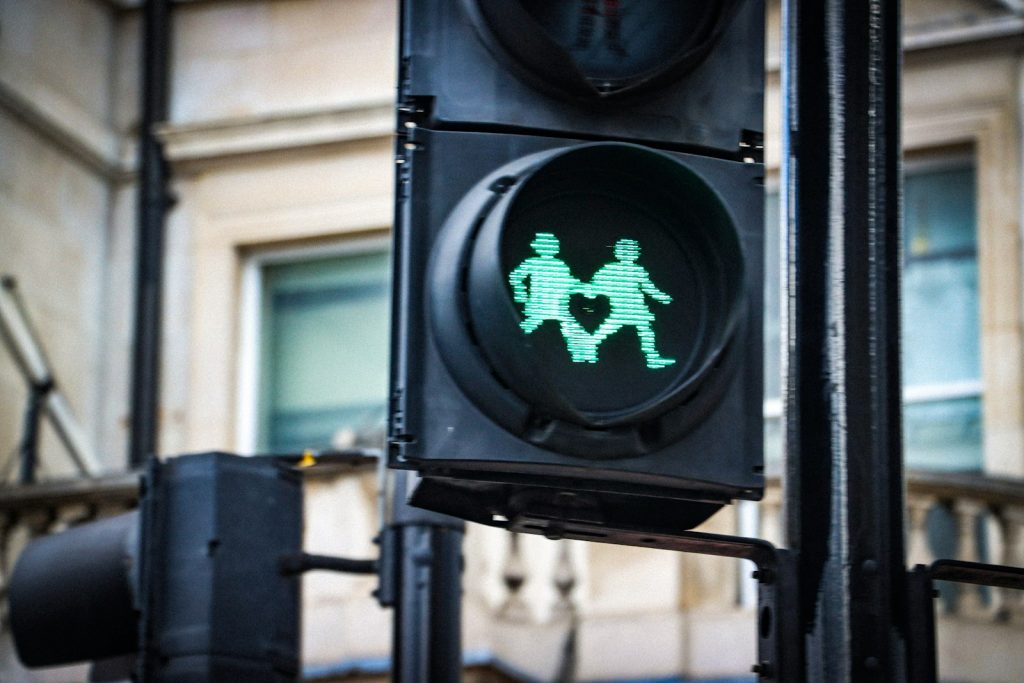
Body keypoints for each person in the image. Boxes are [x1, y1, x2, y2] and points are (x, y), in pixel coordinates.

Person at [508, 232, 596, 362]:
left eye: (553, 245)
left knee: (571, 328)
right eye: (546, 245)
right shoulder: (533, 263)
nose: (551, 248)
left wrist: (583, 288)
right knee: (528, 326)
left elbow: (568, 283)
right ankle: (509, 346)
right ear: (537, 247)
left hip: (558, 306)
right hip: (540, 305)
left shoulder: (560, 265)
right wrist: (521, 292)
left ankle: (583, 354)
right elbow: (515, 277)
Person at [588, 238, 675, 369]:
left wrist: (661, 297)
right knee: (607, 329)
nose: (629, 254)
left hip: (636, 308)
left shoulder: (636, 270)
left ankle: (652, 357)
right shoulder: (610, 269)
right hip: (624, 308)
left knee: (645, 331)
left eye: (632, 251)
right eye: (625, 251)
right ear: (617, 253)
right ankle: (588, 346)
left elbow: (648, 287)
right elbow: (596, 285)